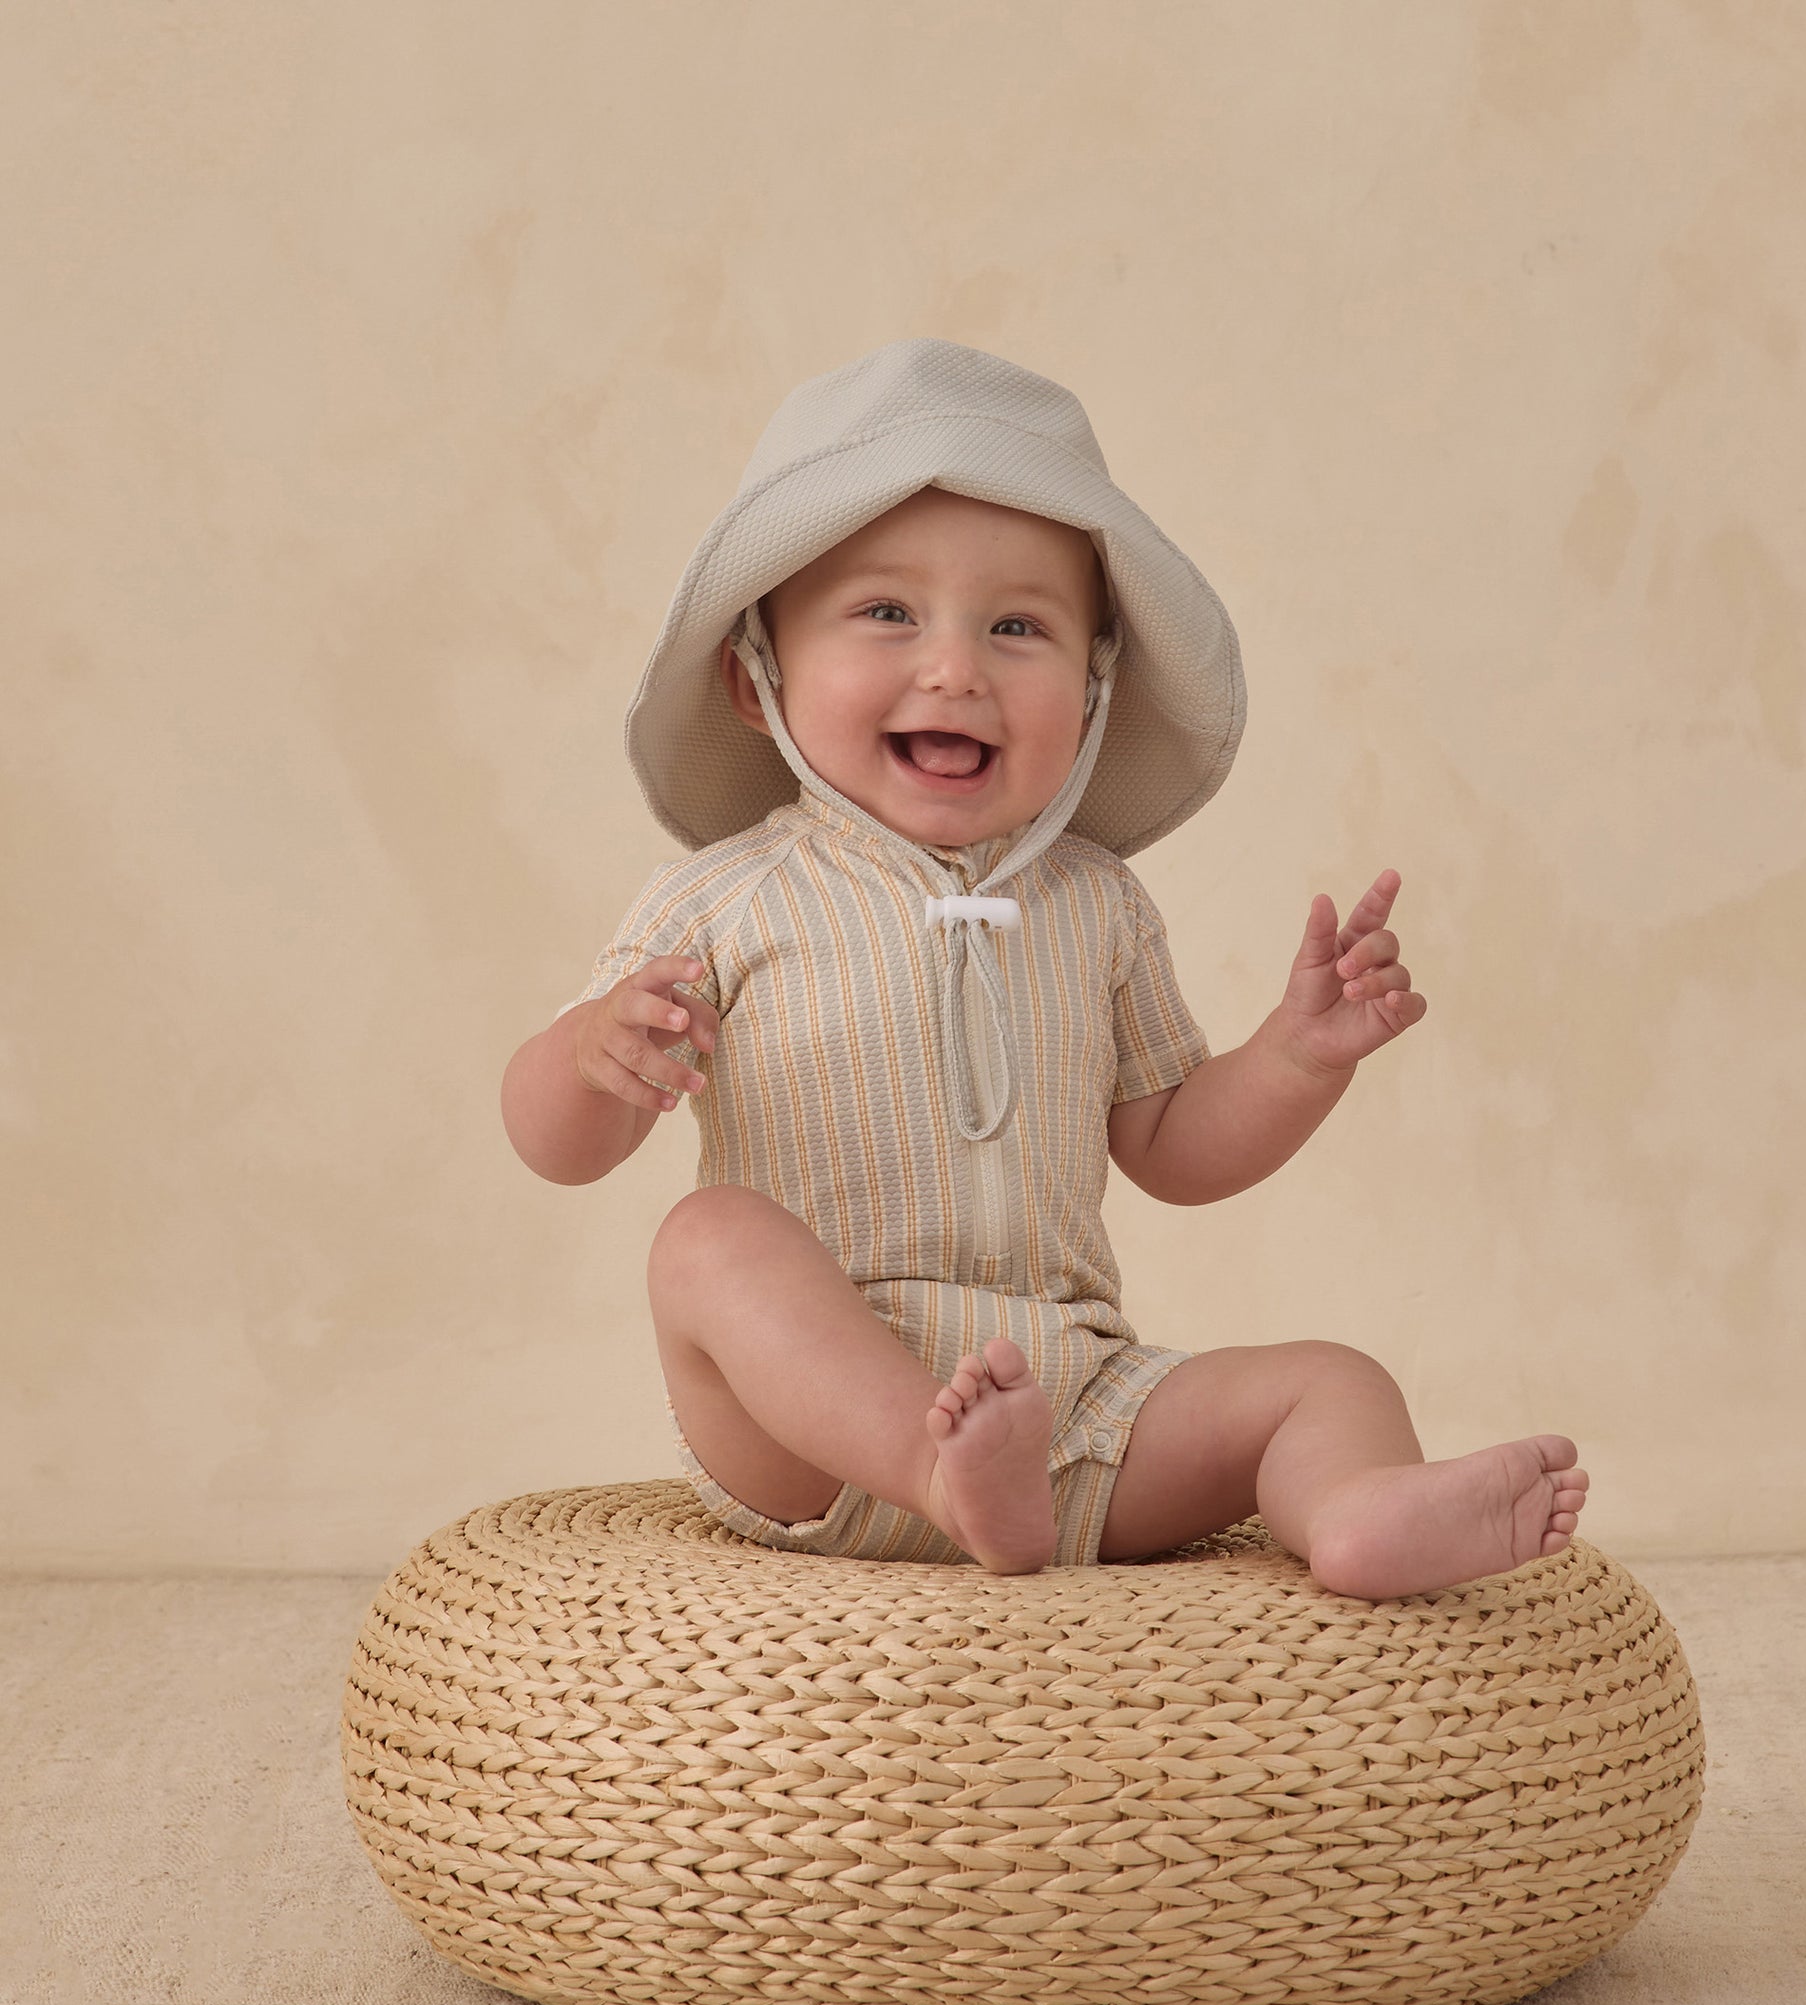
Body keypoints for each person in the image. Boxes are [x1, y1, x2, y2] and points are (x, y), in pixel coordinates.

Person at [501, 340, 1587, 1594]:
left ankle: (1352, 1514)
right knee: (705, 1243)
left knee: (1331, 1381)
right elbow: (554, 1145)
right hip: (809, 1436)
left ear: (1093, 692)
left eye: (1017, 626)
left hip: (1072, 1410)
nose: (954, 667)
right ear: (757, 681)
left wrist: (1295, 1057)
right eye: (886, 613)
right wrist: (588, 1058)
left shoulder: (1095, 904)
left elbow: (1170, 1149)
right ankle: (938, 1471)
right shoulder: (726, 898)